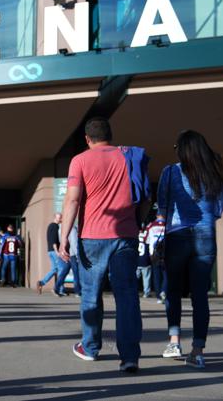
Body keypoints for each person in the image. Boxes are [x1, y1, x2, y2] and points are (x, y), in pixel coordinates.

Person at [56, 118, 147, 372]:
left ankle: (91, 347)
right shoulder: (129, 157)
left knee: (91, 296)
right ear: (110, 135)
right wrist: (135, 223)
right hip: (125, 237)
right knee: (127, 296)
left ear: (87, 138)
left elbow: (73, 201)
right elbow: (144, 198)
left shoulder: (80, 160)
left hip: (92, 236)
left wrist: (64, 238)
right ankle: (130, 357)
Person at [157, 130, 223, 369]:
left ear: (182, 150)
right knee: (200, 296)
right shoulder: (214, 173)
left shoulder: (170, 171)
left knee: (173, 291)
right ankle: (197, 351)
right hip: (206, 236)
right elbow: (218, 210)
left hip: (177, 235)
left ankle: (174, 341)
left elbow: (162, 210)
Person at [37, 213, 69, 296]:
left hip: (50, 251)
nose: (61, 219)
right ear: (55, 218)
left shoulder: (50, 226)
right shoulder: (55, 226)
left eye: (61, 217)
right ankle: (59, 289)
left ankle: (41, 282)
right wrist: (57, 251)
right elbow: (54, 240)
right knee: (62, 269)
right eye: (60, 218)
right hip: (54, 251)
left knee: (54, 269)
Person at [145, 214, 166, 301]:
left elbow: (146, 240)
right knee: (166, 275)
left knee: (157, 276)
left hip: (154, 253)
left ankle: (159, 297)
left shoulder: (151, 225)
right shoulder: (169, 224)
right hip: (166, 253)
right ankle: (164, 290)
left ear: (157, 215)